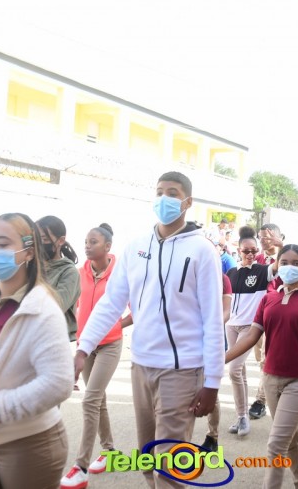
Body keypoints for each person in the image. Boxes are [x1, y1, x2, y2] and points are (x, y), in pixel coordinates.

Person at [74, 171, 224, 488]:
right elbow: (111, 304)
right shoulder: (136, 247)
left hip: (181, 370)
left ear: (187, 202)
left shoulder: (202, 250)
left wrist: (212, 382)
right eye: (159, 192)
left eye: (173, 192)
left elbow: (212, 319)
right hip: (141, 366)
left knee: (167, 467)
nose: (164, 198)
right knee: (148, 458)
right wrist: (83, 348)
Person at [0, 213, 73, 489]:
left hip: (29, 442)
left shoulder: (41, 308)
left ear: (28, 252)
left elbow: (58, 382)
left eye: (3, 243)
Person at [226, 244, 298, 489]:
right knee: (289, 440)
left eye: (296, 263)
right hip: (271, 380)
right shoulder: (268, 299)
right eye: (284, 262)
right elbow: (251, 337)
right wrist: (220, 359)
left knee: (275, 445)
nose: (289, 267)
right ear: (277, 265)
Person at [61, 223, 130, 489]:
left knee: (90, 400)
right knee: (97, 399)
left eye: (93, 242)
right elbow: (73, 306)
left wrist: (115, 326)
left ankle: (80, 466)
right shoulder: (80, 273)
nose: (87, 246)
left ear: (108, 246)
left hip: (110, 345)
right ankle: (110, 451)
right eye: (86, 242)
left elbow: (135, 309)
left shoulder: (121, 274)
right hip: (85, 346)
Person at [222, 226, 276, 440]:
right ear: (239, 250)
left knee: (234, 369)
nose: (251, 254)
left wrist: (277, 244)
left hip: (250, 327)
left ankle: (242, 416)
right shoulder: (231, 273)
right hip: (231, 326)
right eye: (246, 251)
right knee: (240, 371)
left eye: (254, 250)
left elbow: (280, 264)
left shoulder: (262, 271)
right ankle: (241, 415)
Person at [250, 223, 284, 420]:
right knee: (261, 361)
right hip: (258, 316)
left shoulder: (286, 259)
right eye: (261, 236)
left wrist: (281, 248)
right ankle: (268, 393)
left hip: (277, 315)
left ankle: (260, 400)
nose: (263, 240)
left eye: (268, 236)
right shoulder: (258, 259)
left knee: (266, 359)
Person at [201, 270, 233, 452]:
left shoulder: (222, 279)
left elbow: (226, 312)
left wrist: (210, 327)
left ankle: (212, 436)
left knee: (210, 388)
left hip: (210, 340)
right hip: (183, 342)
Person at [36, 216, 81, 342]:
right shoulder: (31, 267)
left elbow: (55, 307)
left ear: (61, 240)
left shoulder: (69, 272)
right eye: (36, 239)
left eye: (44, 239)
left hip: (55, 341)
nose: (39, 244)